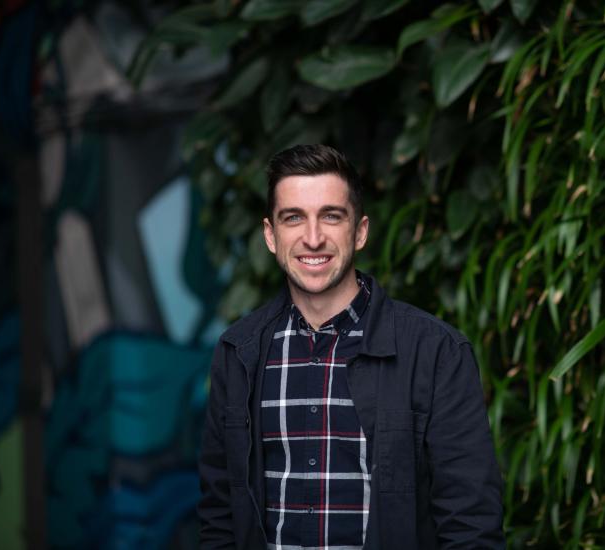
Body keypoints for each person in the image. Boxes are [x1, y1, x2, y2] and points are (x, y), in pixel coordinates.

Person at [198, 144, 504, 549]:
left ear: (359, 231)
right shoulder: (239, 353)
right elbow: (220, 515)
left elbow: (471, 524)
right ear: (270, 236)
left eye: (331, 216)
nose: (312, 238)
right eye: (293, 218)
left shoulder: (435, 352)